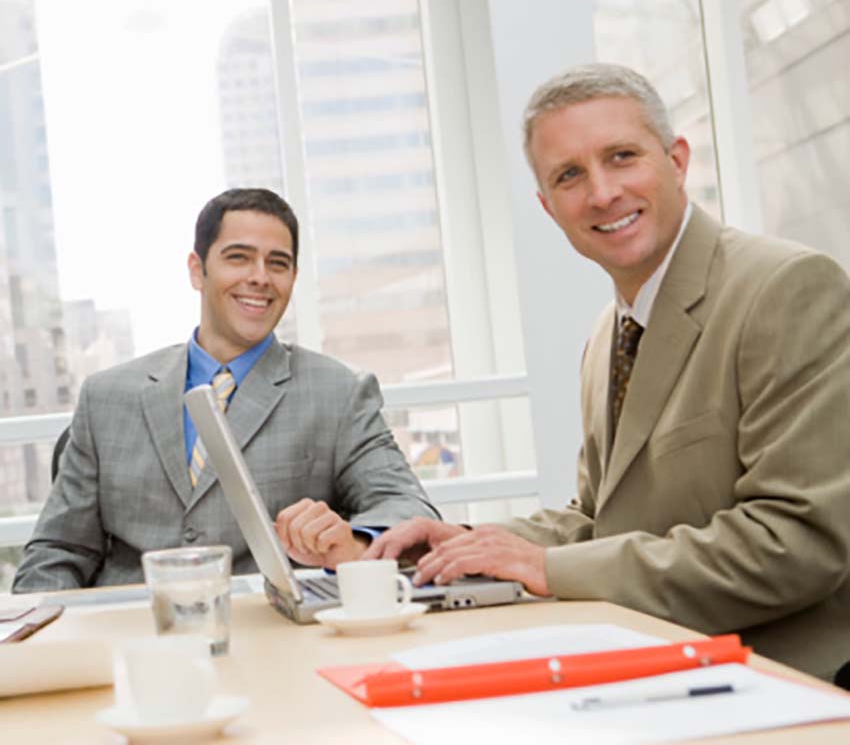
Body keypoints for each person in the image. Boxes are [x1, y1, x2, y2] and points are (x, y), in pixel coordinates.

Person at [366, 63, 850, 681]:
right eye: (569, 175)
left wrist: (548, 569)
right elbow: (601, 518)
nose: (601, 194)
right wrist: (466, 545)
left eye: (622, 157)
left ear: (677, 161)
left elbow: (797, 544)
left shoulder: (784, 289)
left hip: (782, 680)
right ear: (548, 207)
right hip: (661, 666)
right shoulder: (606, 336)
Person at [14, 188, 438, 591]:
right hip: (132, 625)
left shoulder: (339, 392)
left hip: (270, 625)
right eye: (239, 258)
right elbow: (57, 551)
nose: (260, 277)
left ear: (293, 277)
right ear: (197, 270)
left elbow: (408, 509)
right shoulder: (105, 397)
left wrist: (354, 540)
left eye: (278, 263)